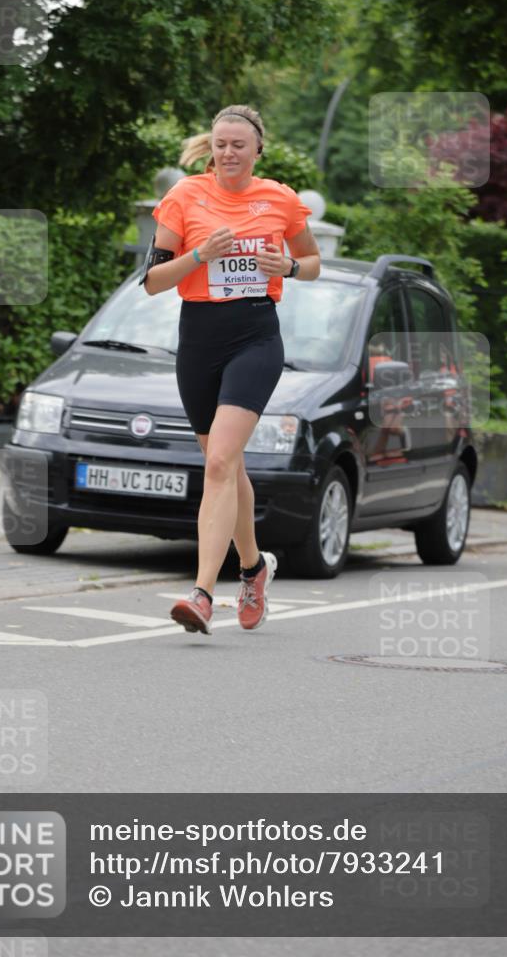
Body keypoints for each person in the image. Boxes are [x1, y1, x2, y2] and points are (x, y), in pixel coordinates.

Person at [142, 104, 321, 635]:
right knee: (228, 467)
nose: (228, 153)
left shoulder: (280, 199)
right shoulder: (184, 197)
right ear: (211, 147)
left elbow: (312, 263)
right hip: (198, 341)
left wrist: (287, 266)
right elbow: (153, 282)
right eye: (220, 144)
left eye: (239, 144)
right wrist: (199, 254)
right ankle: (253, 567)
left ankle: (201, 594)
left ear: (257, 150)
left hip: (255, 337)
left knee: (219, 461)